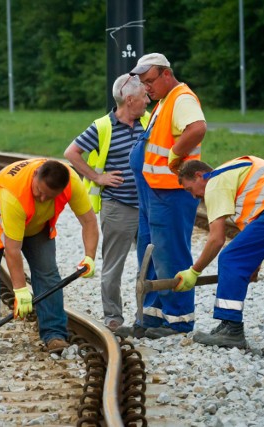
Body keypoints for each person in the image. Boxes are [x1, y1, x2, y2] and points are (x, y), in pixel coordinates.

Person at [174, 157, 264, 356]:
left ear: (199, 175)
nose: (194, 196)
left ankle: (231, 329)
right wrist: (253, 264)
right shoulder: (237, 175)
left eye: (190, 189)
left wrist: (194, 271)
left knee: (230, 258)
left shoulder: (215, 181)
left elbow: (216, 239)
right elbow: (256, 235)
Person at [0, 159, 99, 354]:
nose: (43, 198)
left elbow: (89, 221)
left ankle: (54, 334)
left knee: (48, 273)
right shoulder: (13, 194)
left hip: (35, 223)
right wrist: (20, 290)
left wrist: (90, 256)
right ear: (36, 174)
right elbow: (12, 249)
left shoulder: (72, 183)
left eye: (50, 196)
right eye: (39, 191)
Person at [127, 53, 207, 339]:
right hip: (155, 192)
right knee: (150, 254)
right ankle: (153, 317)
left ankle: (179, 321)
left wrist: (175, 154)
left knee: (171, 255)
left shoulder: (181, 98)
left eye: (150, 81)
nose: (147, 88)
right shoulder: (163, 102)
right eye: (143, 83)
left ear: (166, 74)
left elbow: (198, 129)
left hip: (171, 193)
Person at [64, 73, 150, 332]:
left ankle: (145, 317)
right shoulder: (103, 126)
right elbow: (71, 152)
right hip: (118, 205)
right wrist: (96, 177)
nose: (148, 100)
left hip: (147, 206)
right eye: (144, 96)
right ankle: (113, 316)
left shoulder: (149, 121)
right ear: (130, 99)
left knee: (149, 263)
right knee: (114, 264)